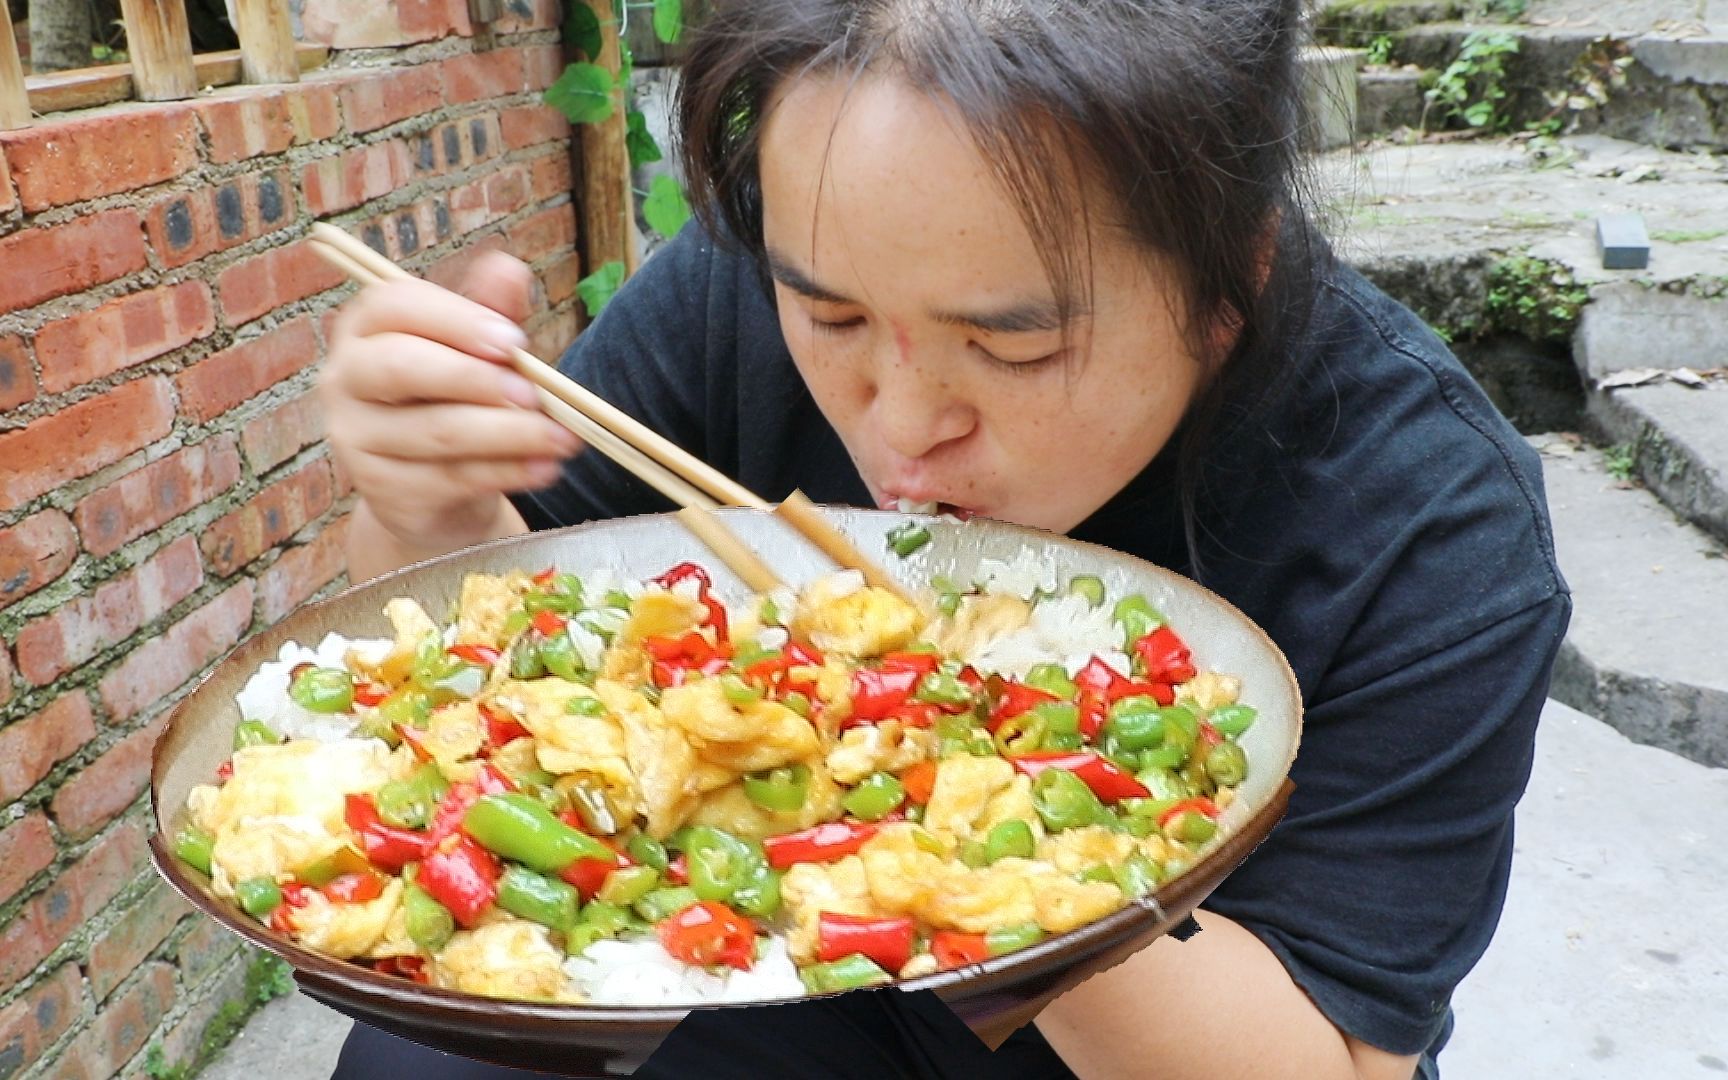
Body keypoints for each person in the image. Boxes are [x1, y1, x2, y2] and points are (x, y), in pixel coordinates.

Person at [318, 1, 1570, 1077]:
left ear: (1228, 283)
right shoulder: (746, 279)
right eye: (834, 317)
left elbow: (1328, 1062)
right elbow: (465, 654)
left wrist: (947, 816)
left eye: (1011, 346)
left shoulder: (1432, 521)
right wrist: (427, 511)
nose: (904, 427)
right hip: (785, 975)